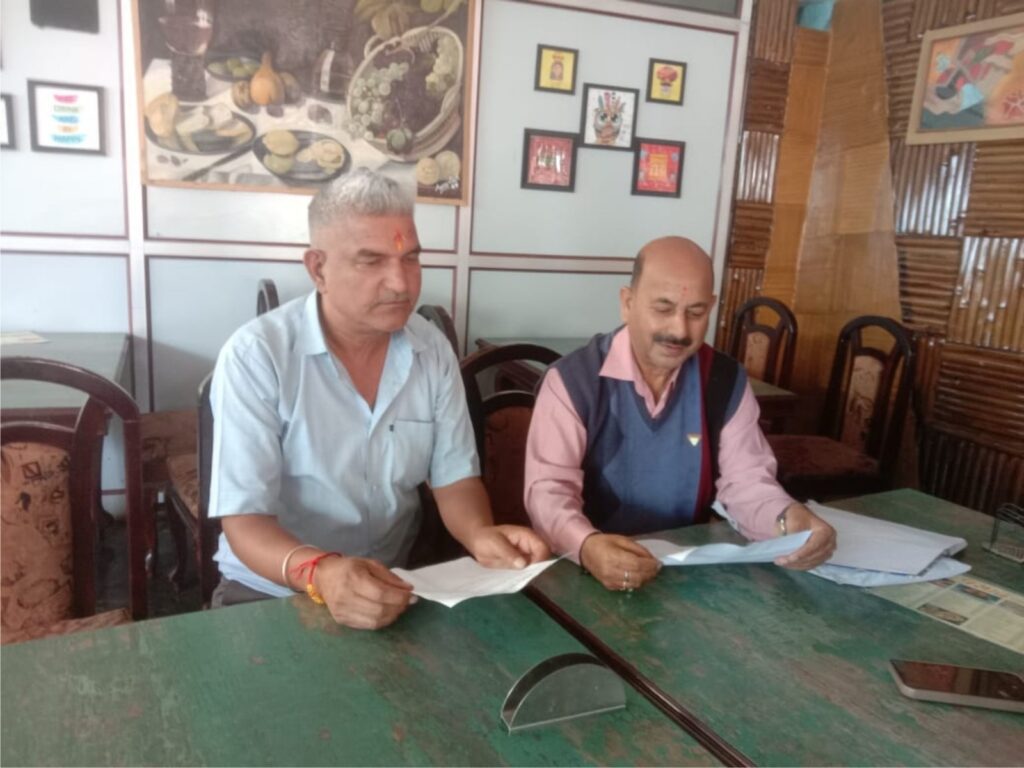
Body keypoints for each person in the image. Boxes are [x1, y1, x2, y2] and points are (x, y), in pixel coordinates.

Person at [208, 169, 549, 628]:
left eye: (411, 258)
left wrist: (480, 534)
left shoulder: (431, 351)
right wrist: (322, 573)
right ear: (318, 269)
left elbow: (454, 479)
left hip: (395, 586)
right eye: (371, 261)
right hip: (271, 589)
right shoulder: (258, 356)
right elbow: (244, 521)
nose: (401, 284)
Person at [524, 236, 835, 591]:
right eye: (663, 308)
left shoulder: (724, 381)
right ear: (627, 303)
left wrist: (788, 520)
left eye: (696, 313)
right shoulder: (572, 381)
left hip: (686, 571)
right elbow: (548, 490)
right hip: (583, 572)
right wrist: (586, 545)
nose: (679, 330)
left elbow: (747, 482)